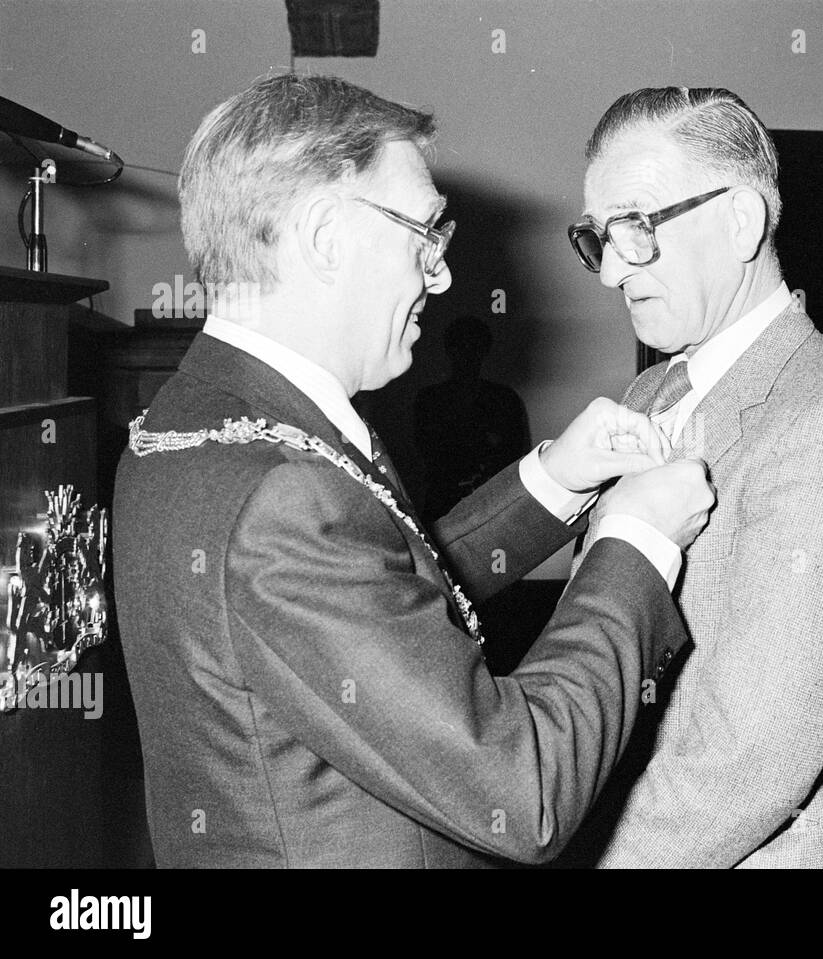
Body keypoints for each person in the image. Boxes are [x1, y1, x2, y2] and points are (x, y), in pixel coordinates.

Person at [112, 74, 715, 868]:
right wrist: (636, 543)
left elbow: (382, 589)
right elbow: (522, 787)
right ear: (326, 236)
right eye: (423, 234)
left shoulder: (205, 416)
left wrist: (557, 480)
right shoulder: (278, 494)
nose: (442, 276)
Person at [561, 87, 823, 868]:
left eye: (638, 228)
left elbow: (748, 763)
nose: (611, 270)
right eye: (599, 238)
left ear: (742, 220)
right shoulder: (649, 391)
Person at [414, 314, 531, 526]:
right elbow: (427, 453)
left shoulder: (504, 398)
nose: (467, 354)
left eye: (474, 346)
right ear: (449, 349)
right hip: (446, 503)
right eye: (461, 346)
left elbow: (514, 455)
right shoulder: (430, 399)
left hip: (492, 501)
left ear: (484, 351)